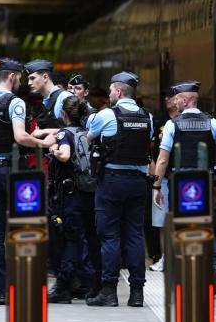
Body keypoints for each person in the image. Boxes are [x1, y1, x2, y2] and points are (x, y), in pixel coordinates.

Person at [0, 58, 52, 304]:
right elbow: (20, 136)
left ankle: (0, 291)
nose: (21, 81)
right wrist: (42, 143)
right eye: (20, 77)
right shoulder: (15, 102)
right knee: (22, 229)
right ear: (12, 76)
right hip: (13, 172)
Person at [152, 80, 216, 292]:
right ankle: (214, 264)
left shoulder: (172, 125)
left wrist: (156, 187)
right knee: (203, 223)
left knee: (181, 227)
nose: (175, 102)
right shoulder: (213, 123)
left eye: (177, 99)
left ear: (186, 100)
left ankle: (188, 274)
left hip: (180, 184)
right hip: (204, 182)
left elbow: (162, 160)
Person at [85, 71, 153, 307]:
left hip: (112, 181)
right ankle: (137, 294)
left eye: (112, 90)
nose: (110, 94)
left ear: (119, 91)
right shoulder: (148, 117)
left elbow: (88, 137)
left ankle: (109, 291)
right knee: (134, 235)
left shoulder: (106, 115)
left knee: (110, 236)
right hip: (137, 181)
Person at [38, 96, 98, 303]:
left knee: (67, 238)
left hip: (68, 194)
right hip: (87, 191)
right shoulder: (86, 132)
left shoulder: (64, 133)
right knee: (86, 238)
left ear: (64, 114)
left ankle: (64, 285)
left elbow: (64, 155)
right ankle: (87, 282)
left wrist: (53, 150)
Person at [147, 92, 180, 272]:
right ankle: (164, 257)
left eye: (171, 96)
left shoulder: (184, 121)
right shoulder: (158, 121)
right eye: (165, 96)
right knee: (161, 220)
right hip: (163, 177)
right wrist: (151, 165)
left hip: (182, 177)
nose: (167, 99)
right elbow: (148, 145)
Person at [26, 59, 74, 129]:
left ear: (45, 77)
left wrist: (44, 132)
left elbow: (76, 130)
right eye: (29, 79)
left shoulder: (64, 97)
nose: (29, 83)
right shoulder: (45, 101)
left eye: (32, 78)